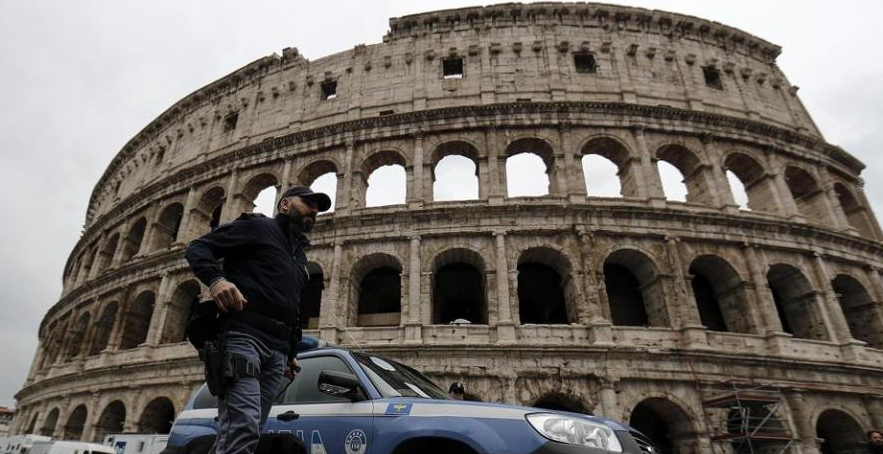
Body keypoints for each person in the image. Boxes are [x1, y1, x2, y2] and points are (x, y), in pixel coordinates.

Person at [185, 186, 331, 454]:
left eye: (318, 208)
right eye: (308, 202)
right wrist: (216, 280)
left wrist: (291, 350)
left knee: (247, 429)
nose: (314, 210)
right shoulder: (258, 227)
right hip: (244, 337)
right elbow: (199, 248)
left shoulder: (300, 259)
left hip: (277, 352)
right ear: (285, 204)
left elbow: (292, 307)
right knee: (243, 426)